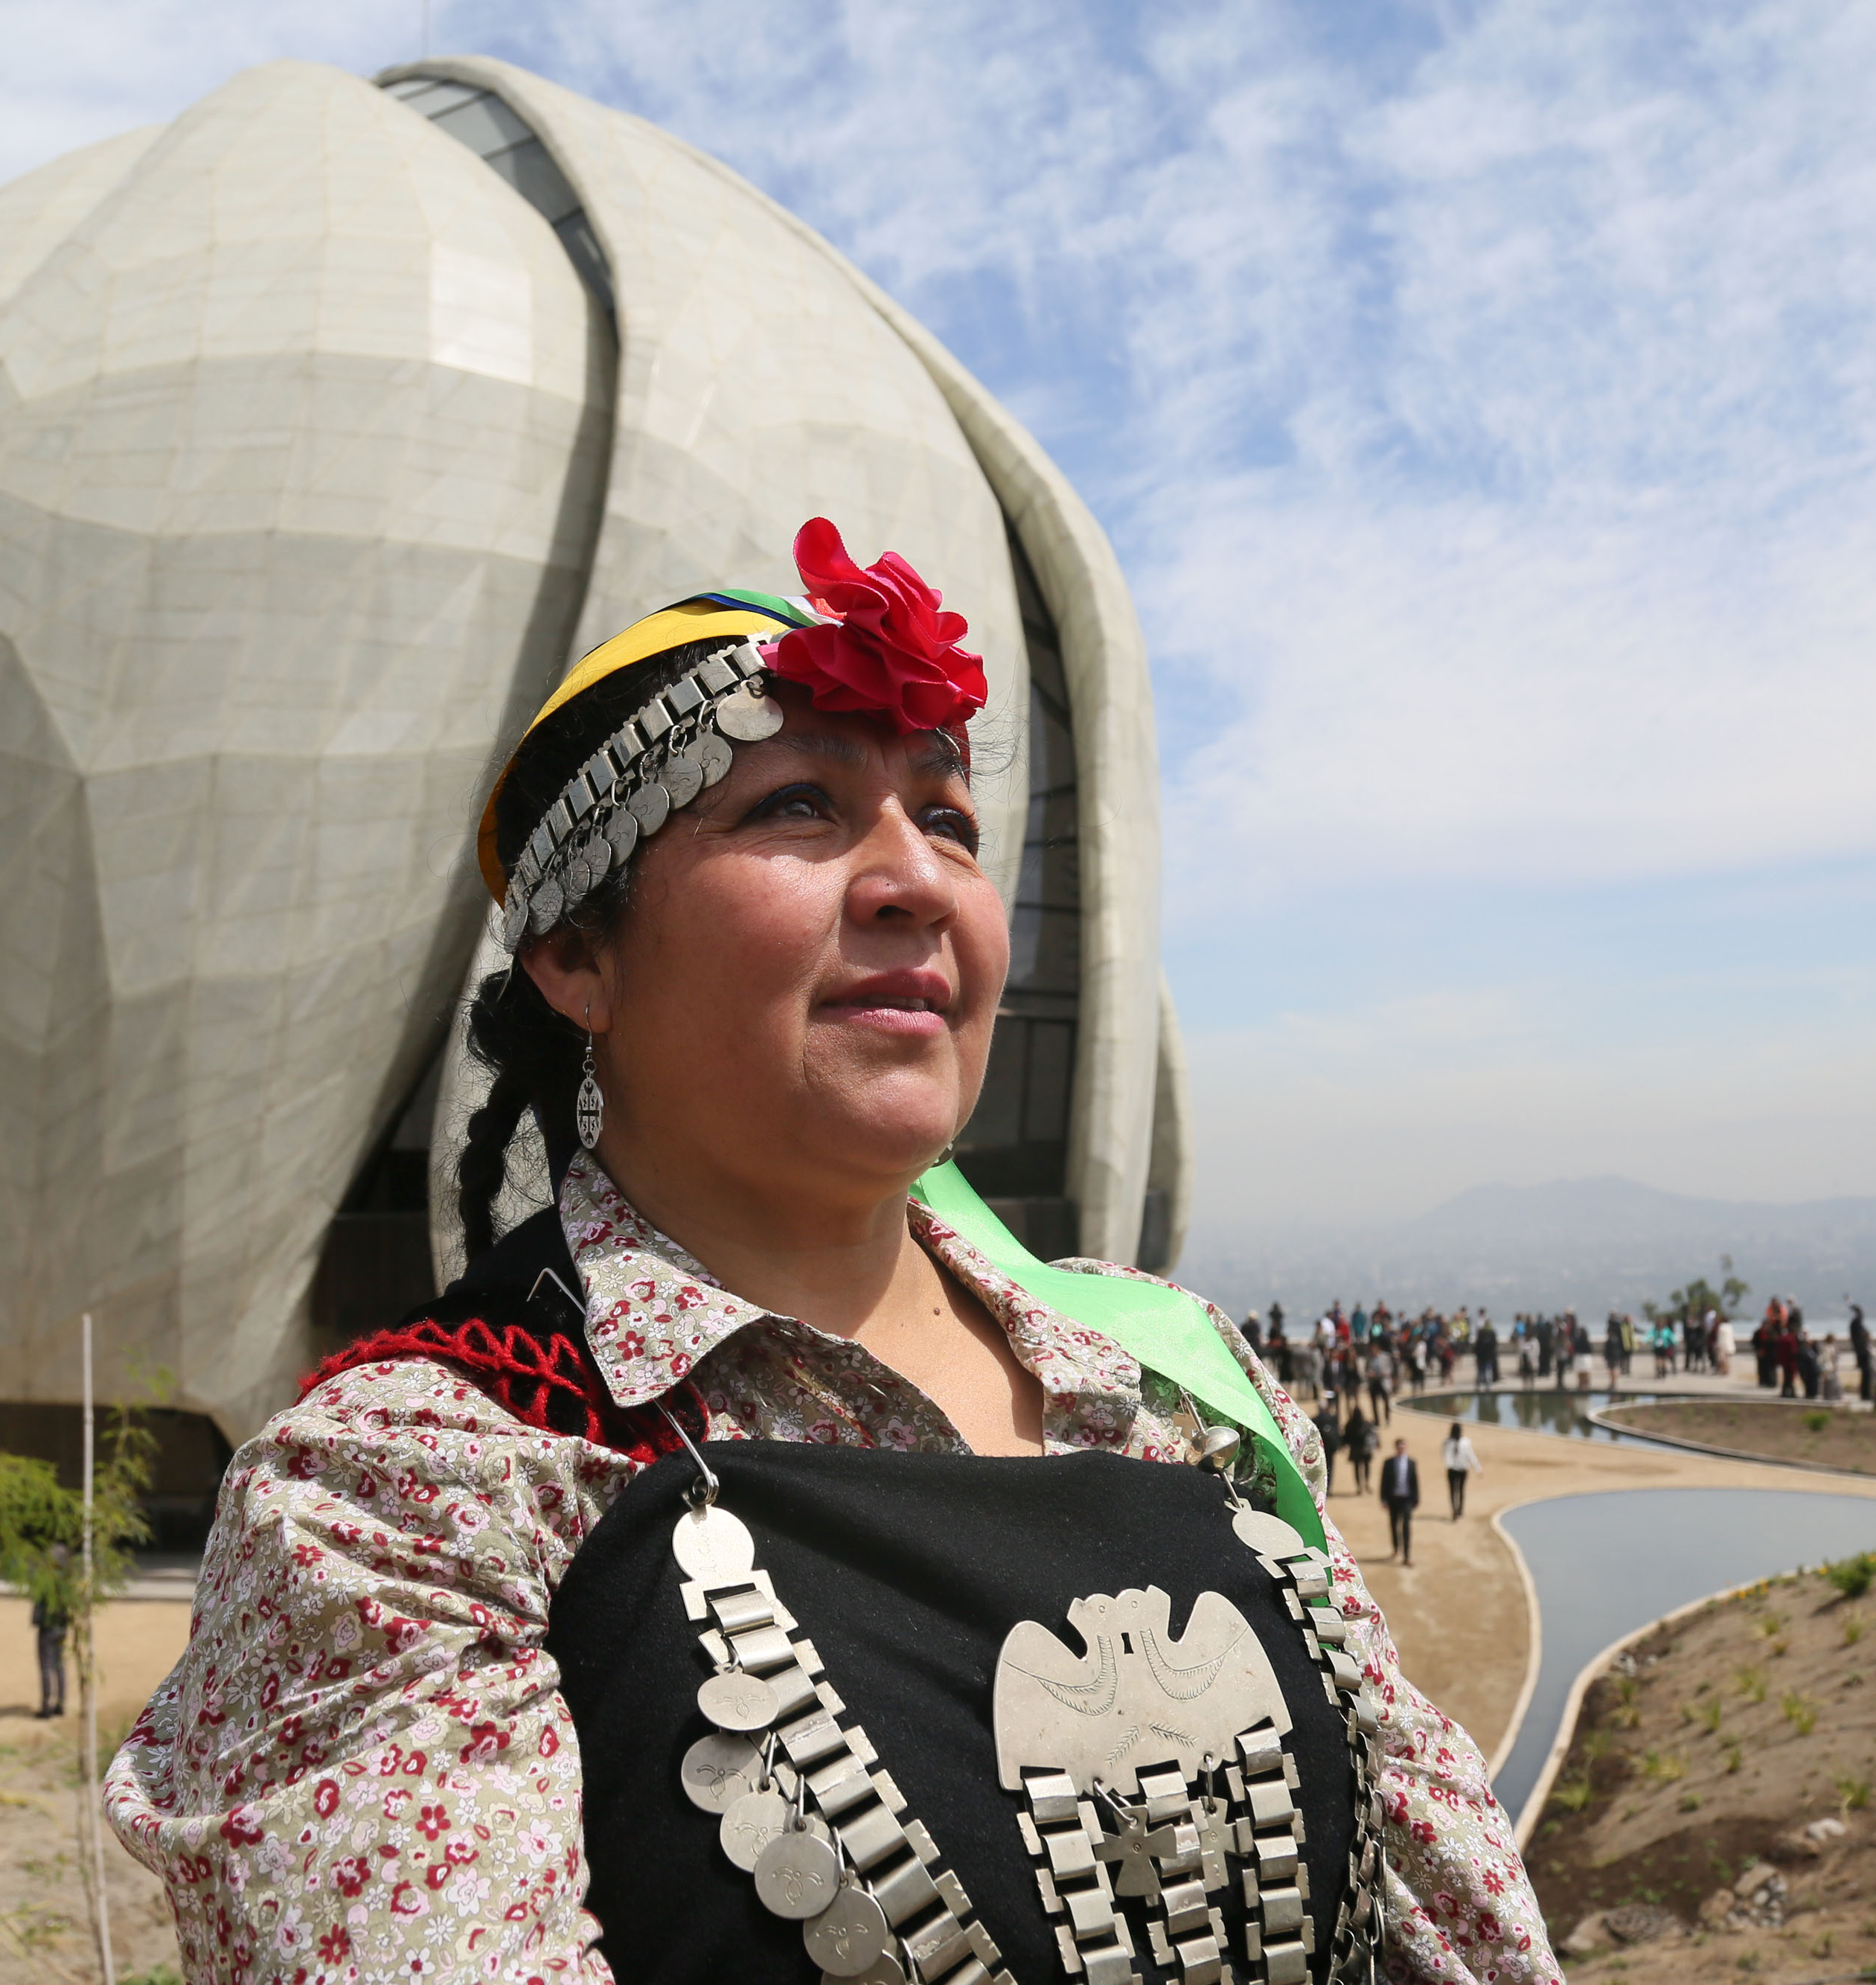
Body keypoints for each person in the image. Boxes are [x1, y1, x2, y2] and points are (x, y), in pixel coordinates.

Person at [99, 528, 1548, 1981]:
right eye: (798, 806)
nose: (911, 879)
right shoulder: (421, 1478)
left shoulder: (1169, 1374)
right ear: (574, 958)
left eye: (948, 818)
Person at [31, 1544, 74, 1720]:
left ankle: (47, 1705)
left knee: (47, 1666)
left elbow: (40, 1604)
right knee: (59, 1665)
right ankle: (61, 1704)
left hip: (48, 1628)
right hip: (62, 1628)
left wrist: (37, 1620)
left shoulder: (47, 1580)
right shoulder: (67, 1580)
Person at [1380, 1438, 1422, 1565]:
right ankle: (1396, 1547)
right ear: (1396, 1448)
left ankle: (1407, 1555)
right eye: (1399, 1446)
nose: (1401, 1449)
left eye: (1403, 1446)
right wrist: (1383, 1499)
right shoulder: (1388, 1463)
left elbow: (1415, 1481)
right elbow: (1384, 1482)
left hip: (1406, 1499)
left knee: (1406, 1527)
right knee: (1393, 1525)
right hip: (1393, 1499)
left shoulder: (1411, 1463)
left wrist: (1416, 1499)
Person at [1441, 1422, 1481, 1521]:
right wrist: (1448, 1462)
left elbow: (1470, 1455)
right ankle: (1454, 1510)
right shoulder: (1447, 1441)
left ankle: (1460, 1509)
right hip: (1452, 1469)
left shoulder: (1466, 1442)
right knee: (1453, 1491)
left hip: (1463, 1469)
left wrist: (1477, 1468)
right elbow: (1443, 1453)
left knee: (1461, 1490)